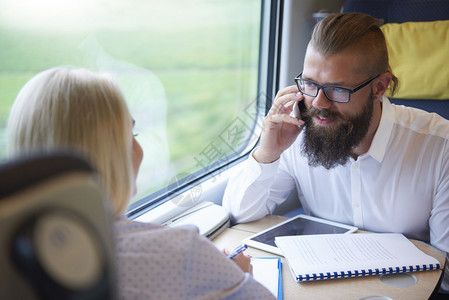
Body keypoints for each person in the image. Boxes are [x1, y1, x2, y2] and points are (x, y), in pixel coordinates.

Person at [223, 12, 449, 294]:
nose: (318, 102)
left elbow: (446, 272)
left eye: (336, 90)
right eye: (310, 83)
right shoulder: (297, 133)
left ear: (380, 87)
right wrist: (266, 154)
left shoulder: (440, 147)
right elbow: (239, 215)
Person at [7, 67, 275, 300]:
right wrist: (237, 280)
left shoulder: (12, 267)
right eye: (130, 134)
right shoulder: (181, 254)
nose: (140, 149)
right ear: (109, 155)